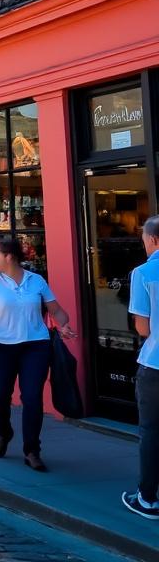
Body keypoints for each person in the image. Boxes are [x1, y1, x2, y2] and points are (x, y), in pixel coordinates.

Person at [0, 235, 77, 471]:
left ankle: (32, 450)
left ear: (9, 257)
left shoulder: (36, 281)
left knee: (32, 399)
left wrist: (63, 325)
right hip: (2, 346)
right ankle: (4, 432)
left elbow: (57, 310)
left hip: (36, 346)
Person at [125, 215, 159, 518]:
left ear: (154, 240)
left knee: (151, 430)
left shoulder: (144, 272)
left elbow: (143, 328)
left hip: (156, 363)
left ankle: (148, 498)